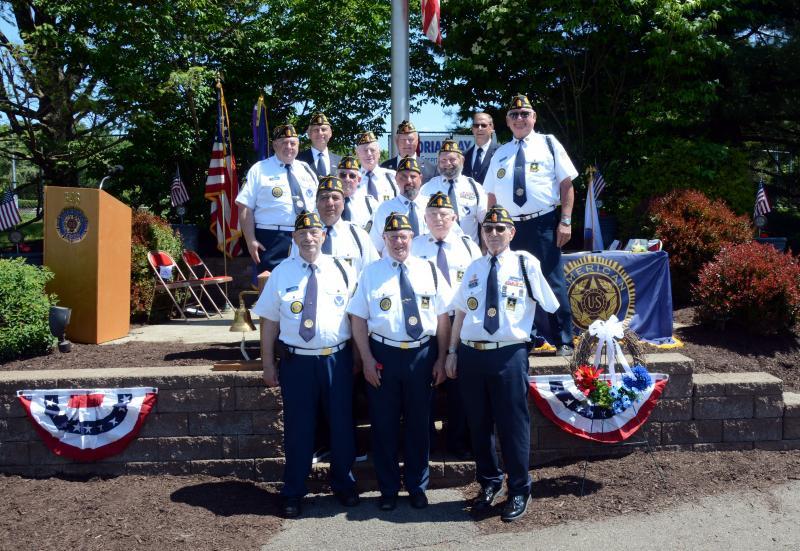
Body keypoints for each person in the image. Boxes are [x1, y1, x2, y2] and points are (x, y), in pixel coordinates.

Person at [445, 205, 559, 522]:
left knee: (512, 426)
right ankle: (489, 483)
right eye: (488, 229)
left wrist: (561, 342)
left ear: (512, 232)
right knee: (478, 426)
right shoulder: (474, 268)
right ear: (481, 233)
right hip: (471, 354)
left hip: (508, 354)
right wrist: (452, 351)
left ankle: (519, 489)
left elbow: (550, 304)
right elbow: (460, 314)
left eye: (500, 229)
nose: (493, 234)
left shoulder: (526, 264)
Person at [253, 210, 359, 518]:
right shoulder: (281, 273)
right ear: (294, 238)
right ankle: (293, 491)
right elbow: (269, 322)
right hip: (296, 364)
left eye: (314, 233)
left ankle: (344, 484)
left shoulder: (343, 270)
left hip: (336, 361)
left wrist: (356, 357)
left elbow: (356, 317)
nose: (309, 238)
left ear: (323, 236)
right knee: (298, 430)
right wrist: (267, 364)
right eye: (302, 234)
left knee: (341, 426)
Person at [347, 212, 451, 511]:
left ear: (412, 238)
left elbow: (443, 318)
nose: (398, 241)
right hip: (384, 356)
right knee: (384, 426)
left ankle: (418, 487)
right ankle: (389, 489)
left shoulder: (429, 270)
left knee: (419, 425)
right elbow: (358, 319)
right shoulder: (370, 273)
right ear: (384, 239)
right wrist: (366, 359)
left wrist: (442, 358)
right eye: (392, 237)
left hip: (422, 355)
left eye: (403, 236)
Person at [483, 94, 578, 356]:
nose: (520, 119)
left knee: (552, 281)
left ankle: (564, 341)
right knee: (514, 282)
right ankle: (526, 338)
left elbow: (566, 185)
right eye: (514, 115)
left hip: (544, 223)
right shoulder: (500, 153)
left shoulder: (549, 144)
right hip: (508, 228)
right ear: (507, 121)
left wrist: (566, 221)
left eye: (525, 114)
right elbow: (491, 195)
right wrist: (492, 230)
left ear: (534, 118)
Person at [411, 191, 481, 458]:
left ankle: (457, 440)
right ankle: (425, 440)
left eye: (443, 214)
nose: (438, 219)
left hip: (459, 320)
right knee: (424, 382)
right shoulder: (415, 246)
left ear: (454, 217)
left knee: (459, 386)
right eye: (432, 215)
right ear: (425, 218)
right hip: (426, 322)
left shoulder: (468, 246)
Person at [237, 124, 319, 274]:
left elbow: (317, 205)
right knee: (272, 287)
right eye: (283, 143)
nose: (289, 147)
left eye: (293, 143)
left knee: (305, 283)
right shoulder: (259, 169)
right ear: (274, 145)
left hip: (305, 236)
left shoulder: (306, 169)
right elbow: (244, 206)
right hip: (271, 238)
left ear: (298, 145)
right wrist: (250, 240)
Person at [292, 175, 379, 274]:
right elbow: (293, 272)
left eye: (335, 198)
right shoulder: (303, 237)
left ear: (343, 202)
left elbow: (373, 272)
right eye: (324, 198)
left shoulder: (359, 236)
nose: (330, 203)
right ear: (316, 203)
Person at [420, 138, 488, 244]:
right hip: (436, 250)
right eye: (443, 160)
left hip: (469, 252)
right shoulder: (427, 188)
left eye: (452, 160)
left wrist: (484, 249)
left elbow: (486, 222)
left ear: (462, 160)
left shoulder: (474, 187)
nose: (448, 164)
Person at [368, 156, 430, 254]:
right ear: (396, 179)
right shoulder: (385, 209)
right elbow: (375, 247)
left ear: (420, 179)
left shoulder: (431, 206)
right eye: (403, 177)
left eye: (413, 176)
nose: (409, 181)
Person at [337, 154, 379, 232]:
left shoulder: (370, 204)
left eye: (352, 176)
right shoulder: (327, 202)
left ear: (359, 180)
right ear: (337, 178)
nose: (347, 179)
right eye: (343, 175)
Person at [355, 131, 399, 203]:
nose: (369, 154)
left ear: (379, 153)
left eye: (372, 150)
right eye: (365, 150)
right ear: (357, 154)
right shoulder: (352, 179)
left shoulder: (392, 177)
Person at [297, 112, 341, 178]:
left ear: (330, 133)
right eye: (316, 130)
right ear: (309, 134)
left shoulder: (340, 161)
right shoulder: (298, 160)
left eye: (323, 129)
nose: (320, 133)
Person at [462, 112, 498, 184]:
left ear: (491, 128)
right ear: (472, 129)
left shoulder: (501, 152)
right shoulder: (463, 156)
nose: (479, 128)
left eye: (484, 125)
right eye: (476, 125)